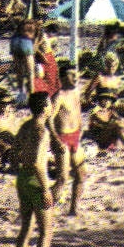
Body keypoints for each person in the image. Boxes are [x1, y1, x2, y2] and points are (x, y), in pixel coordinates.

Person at [12, 91, 56, 247]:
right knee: (46, 232)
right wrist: (46, 188)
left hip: (22, 178)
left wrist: (26, 160)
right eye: (50, 104)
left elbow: (14, 151)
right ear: (45, 107)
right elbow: (39, 163)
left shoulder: (25, 126)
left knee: (26, 229)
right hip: (36, 181)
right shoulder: (42, 130)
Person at [51, 65, 88, 215]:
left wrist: (81, 130)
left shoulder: (75, 92)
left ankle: (74, 208)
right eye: (72, 75)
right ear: (63, 78)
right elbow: (48, 120)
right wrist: (56, 140)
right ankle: (43, 209)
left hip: (75, 137)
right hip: (62, 138)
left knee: (81, 174)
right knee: (62, 179)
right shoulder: (58, 96)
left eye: (76, 75)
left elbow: (78, 113)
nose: (76, 78)